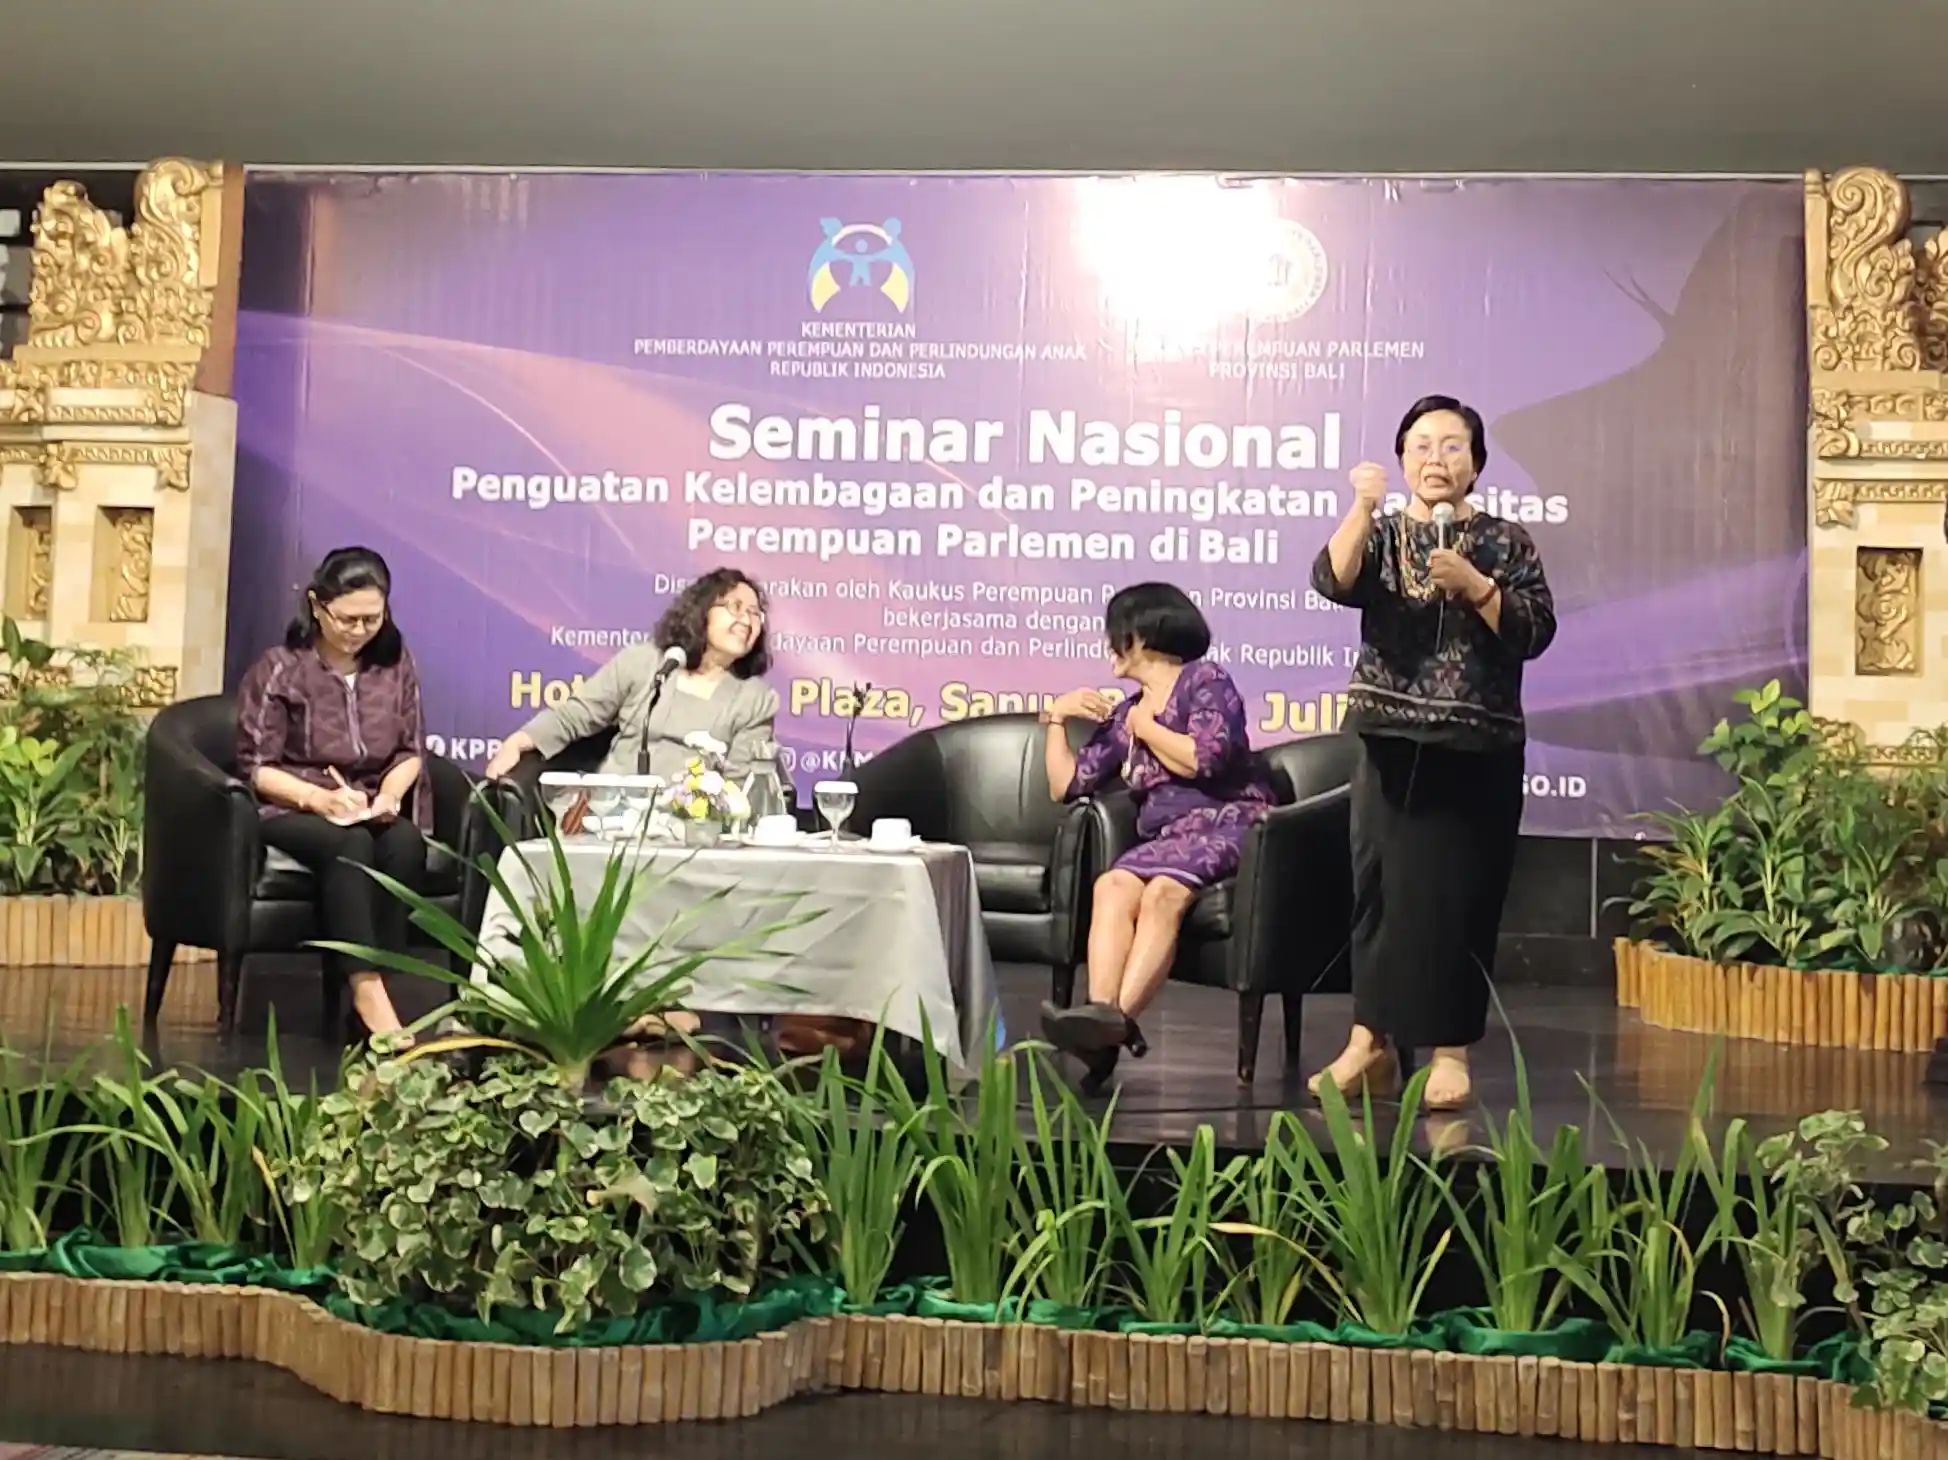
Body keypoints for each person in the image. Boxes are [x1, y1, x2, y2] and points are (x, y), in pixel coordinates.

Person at [1308, 395, 1557, 1110]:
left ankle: (1451, 1053)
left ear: (1476, 464)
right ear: (1401, 460)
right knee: (1378, 897)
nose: (1436, 459)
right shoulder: (1383, 534)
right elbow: (1333, 580)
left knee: (1459, 900)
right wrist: (1362, 508)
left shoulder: (1505, 542)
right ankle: (1369, 1045)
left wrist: (1478, 588)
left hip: (1478, 746)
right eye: (1421, 445)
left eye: (1452, 446)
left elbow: (1536, 631)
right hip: (1387, 738)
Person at [1036, 582, 1276, 1089]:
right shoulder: (1129, 712)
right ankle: (1101, 1018)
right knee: (1112, 885)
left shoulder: (1205, 681)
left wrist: (1146, 728)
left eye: (1116, 634)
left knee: (1165, 891)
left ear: (1141, 637)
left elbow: (1204, 759)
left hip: (1229, 820)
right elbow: (1067, 785)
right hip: (1167, 835)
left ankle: (1109, 1027)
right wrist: (1057, 717)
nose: (1109, 646)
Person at [235, 547, 430, 1042]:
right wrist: (318, 800)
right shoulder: (281, 668)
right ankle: (366, 992)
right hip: (292, 805)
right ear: (317, 607)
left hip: (366, 801)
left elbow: (410, 751)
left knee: (404, 842)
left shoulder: (395, 664)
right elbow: (257, 768)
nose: (359, 631)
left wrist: (389, 797)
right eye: (347, 619)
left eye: (372, 619)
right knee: (349, 844)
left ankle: (376, 985)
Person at [484, 567, 781, 785]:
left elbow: (740, 786)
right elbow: (576, 715)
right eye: (735, 607)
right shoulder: (645, 662)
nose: (747, 620)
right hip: (610, 817)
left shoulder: (755, 699)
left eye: (755, 614)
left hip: (695, 831)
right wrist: (519, 741)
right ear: (702, 611)